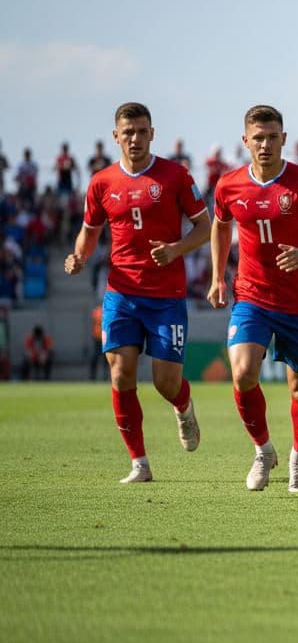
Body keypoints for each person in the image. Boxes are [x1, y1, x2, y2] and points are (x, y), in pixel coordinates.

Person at [64, 102, 211, 483]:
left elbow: (204, 226)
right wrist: (79, 255)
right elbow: (90, 231)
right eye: (127, 132)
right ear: (116, 136)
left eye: (141, 131)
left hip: (166, 296)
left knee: (165, 381)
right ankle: (139, 463)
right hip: (121, 293)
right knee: (121, 373)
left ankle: (183, 407)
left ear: (152, 133)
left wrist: (176, 249)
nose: (134, 138)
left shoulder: (175, 176)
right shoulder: (101, 183)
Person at [208, 105, 298, 492]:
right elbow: (220, 227)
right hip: (251, 296)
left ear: (283, 139)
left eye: (272, 137)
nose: (265, 145)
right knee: (242, 370)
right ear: (245, 141)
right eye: (258, 138)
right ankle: (262, 450)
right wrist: (219, 277)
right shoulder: (229, 185)